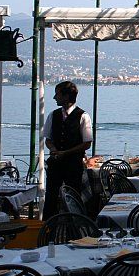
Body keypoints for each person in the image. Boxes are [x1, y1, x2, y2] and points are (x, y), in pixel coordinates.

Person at [43, 81, 92, 220]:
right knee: (51, 197)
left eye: (57, 94)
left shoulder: (83, 116)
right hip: (56, 164)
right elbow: (48, 139)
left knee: (74, 196)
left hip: (73, 165)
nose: (54, 98)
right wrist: (54, 150)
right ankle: (47, 226)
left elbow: (87, 143)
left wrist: (65, 153)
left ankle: (74, 225)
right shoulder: (53, 115)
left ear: (66, 96)